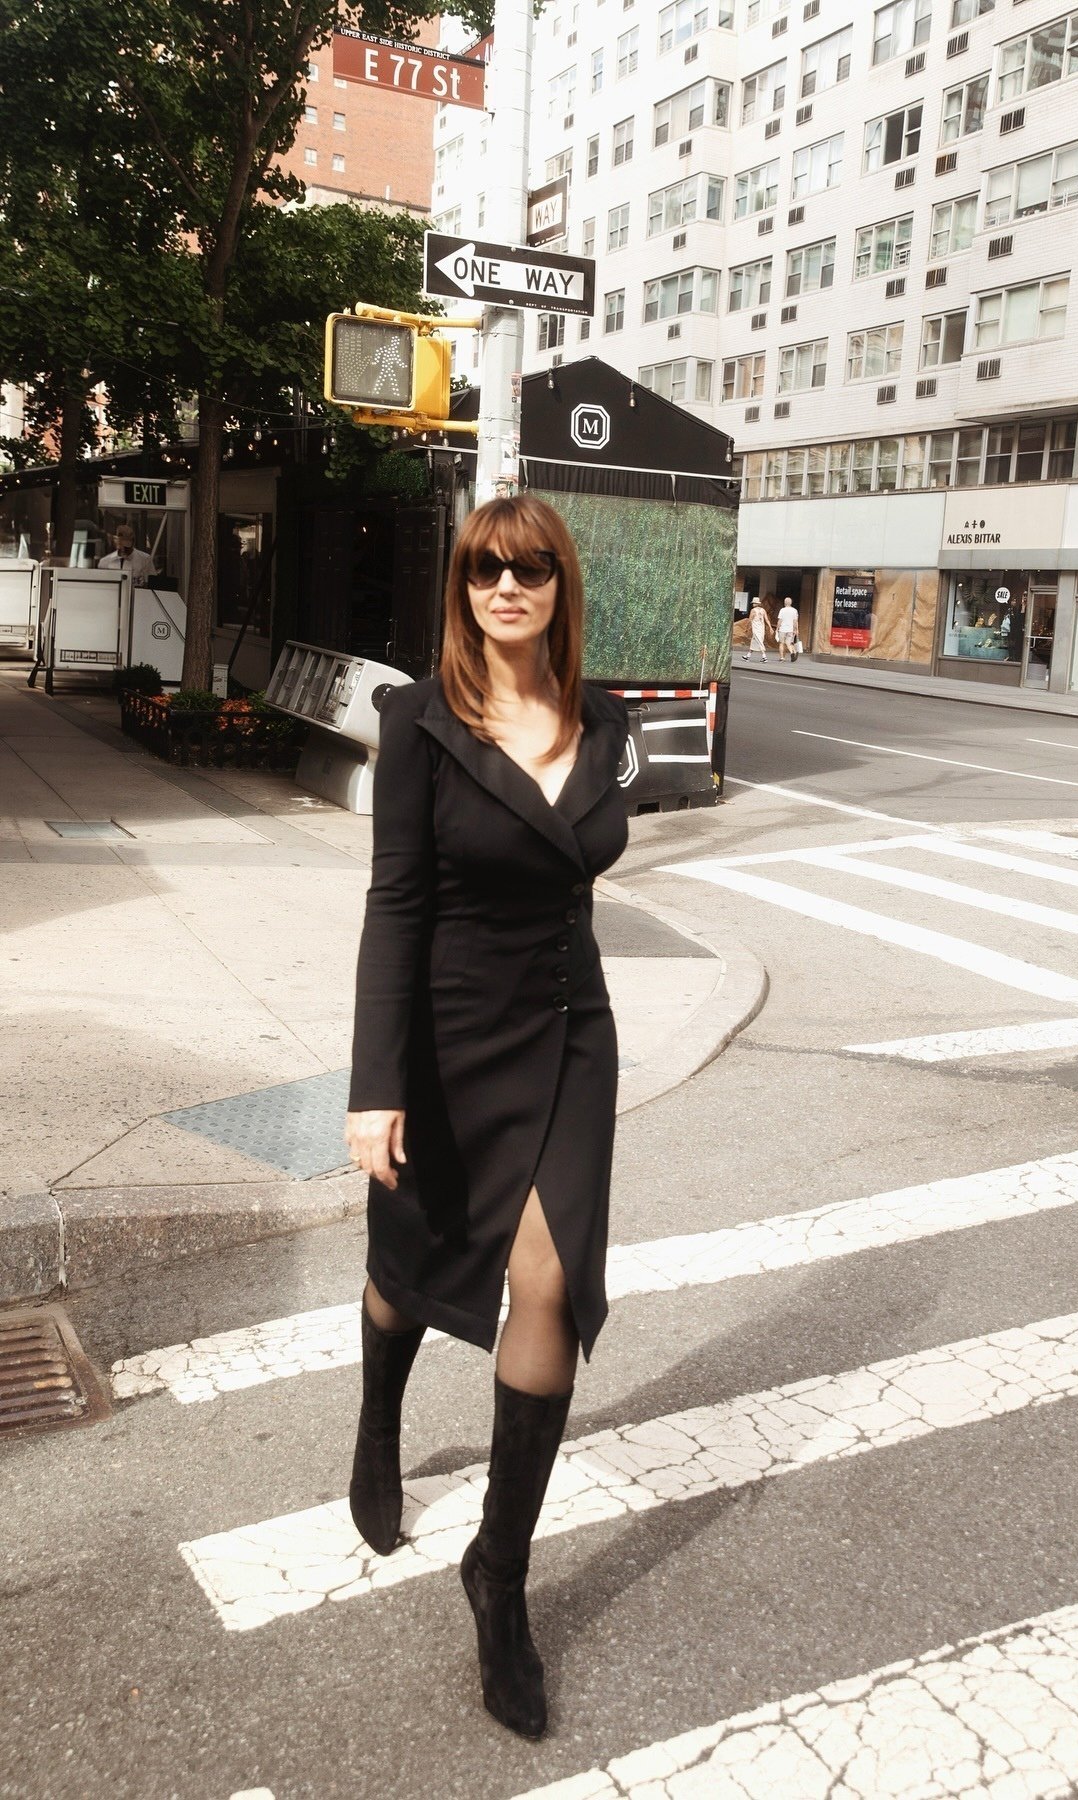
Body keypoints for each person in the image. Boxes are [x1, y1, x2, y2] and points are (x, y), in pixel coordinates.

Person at [343, 494, 632, 1740]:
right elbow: (395, 906)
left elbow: (583, 865)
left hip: (568, 1031)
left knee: (549, 1282)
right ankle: (378, 1426)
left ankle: (498, 1574)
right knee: (412, 1263)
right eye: (483, 568)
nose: (505, 585)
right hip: (449, 1037)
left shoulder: (604, 721)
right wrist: (376, 1083)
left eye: (529, 568)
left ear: (560, 585)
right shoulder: (420, 722)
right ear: (462, 588)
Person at [742, 594, 772, 662]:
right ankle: (748, 656)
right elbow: (767, 620)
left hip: (756, 628)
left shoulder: (753, 610)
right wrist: (770, 627)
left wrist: (747, 628)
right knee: (754, 642)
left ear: (756, 604)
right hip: (761, 628)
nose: (753, 604)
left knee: (759, 641)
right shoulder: (763, 610)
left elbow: (750, 620)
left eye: (753, 603)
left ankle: (764, 657)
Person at [776, 597, 800, 662]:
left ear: (784, 603)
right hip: (790, 629)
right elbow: (795, 621)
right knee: (788, 643)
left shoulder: (782, 610)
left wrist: (777, 628)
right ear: (791, 603)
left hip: (782, 629)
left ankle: (782, 657)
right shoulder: (794, 610)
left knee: (781, 643)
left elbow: (780, 620)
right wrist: (796, 629)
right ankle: (792, 652)